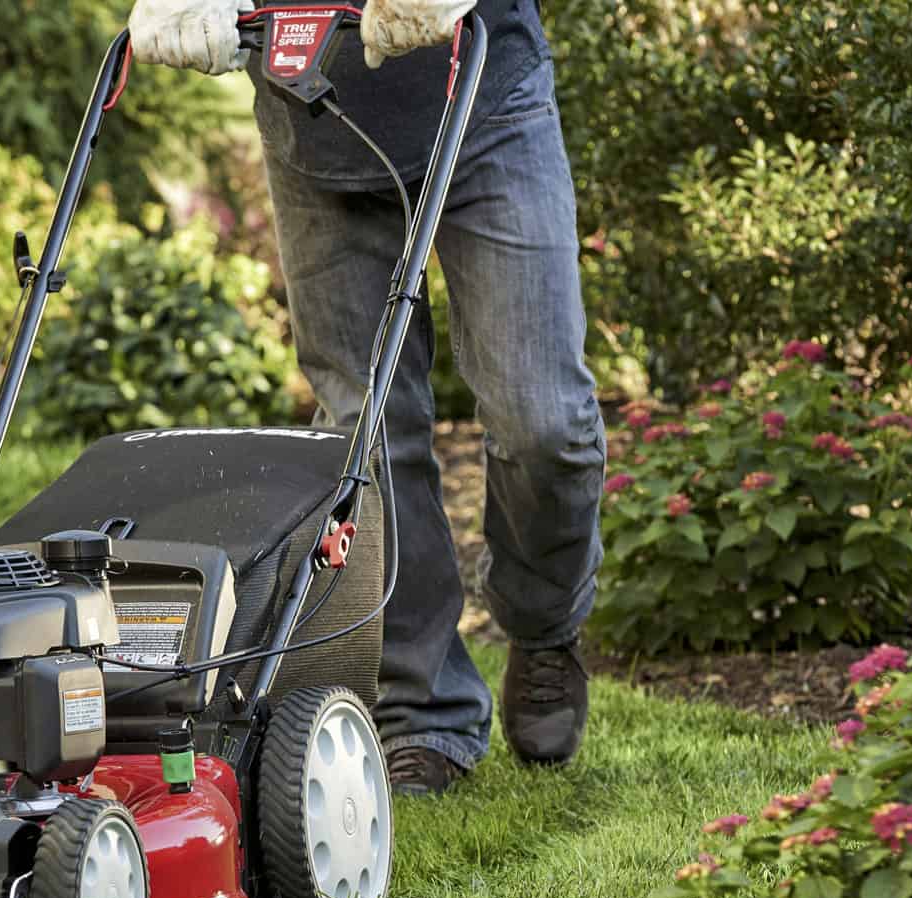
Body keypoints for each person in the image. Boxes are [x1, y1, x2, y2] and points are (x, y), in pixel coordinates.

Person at [127, 0, 603, 796]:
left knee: (544, 420)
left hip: (483, 92)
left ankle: (547, 624)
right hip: (316, 125)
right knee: (369, 435)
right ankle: (422, 709)